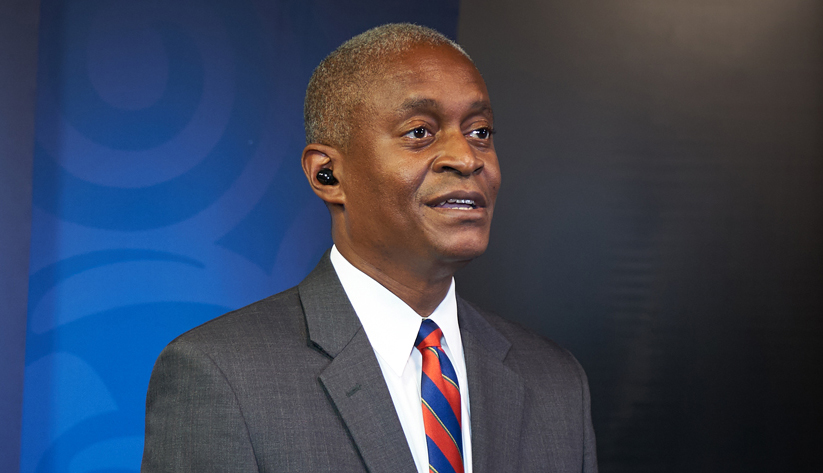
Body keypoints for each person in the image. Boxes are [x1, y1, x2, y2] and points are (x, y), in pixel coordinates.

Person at [141, 23, 597, 473]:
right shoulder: (222, 375)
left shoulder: (556, 382)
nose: (467, 158)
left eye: (480, 132)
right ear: (328, 175)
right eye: (419, 132)